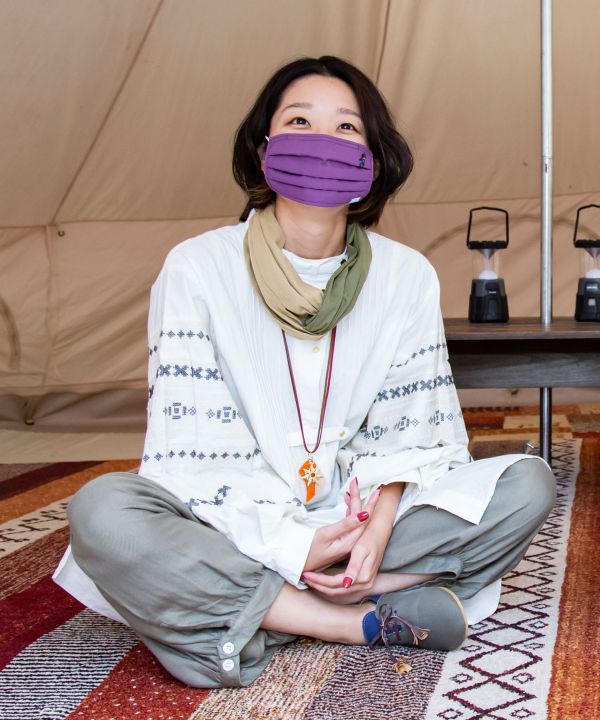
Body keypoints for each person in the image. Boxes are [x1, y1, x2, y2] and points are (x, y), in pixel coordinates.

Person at [55, 55, 556, 689]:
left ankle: (249, 612)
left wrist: (374, 527)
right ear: (264, 147)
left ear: (374, 158)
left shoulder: (405, 275)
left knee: (526, 486)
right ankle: (348, 619)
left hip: (358, 520)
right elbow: (189, 457)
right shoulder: (198, 269)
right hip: (233, 522)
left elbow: (413, 436)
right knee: (105, 514)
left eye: (347, 128)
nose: (322, 142)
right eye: (299, 120)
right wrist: (290, 545)